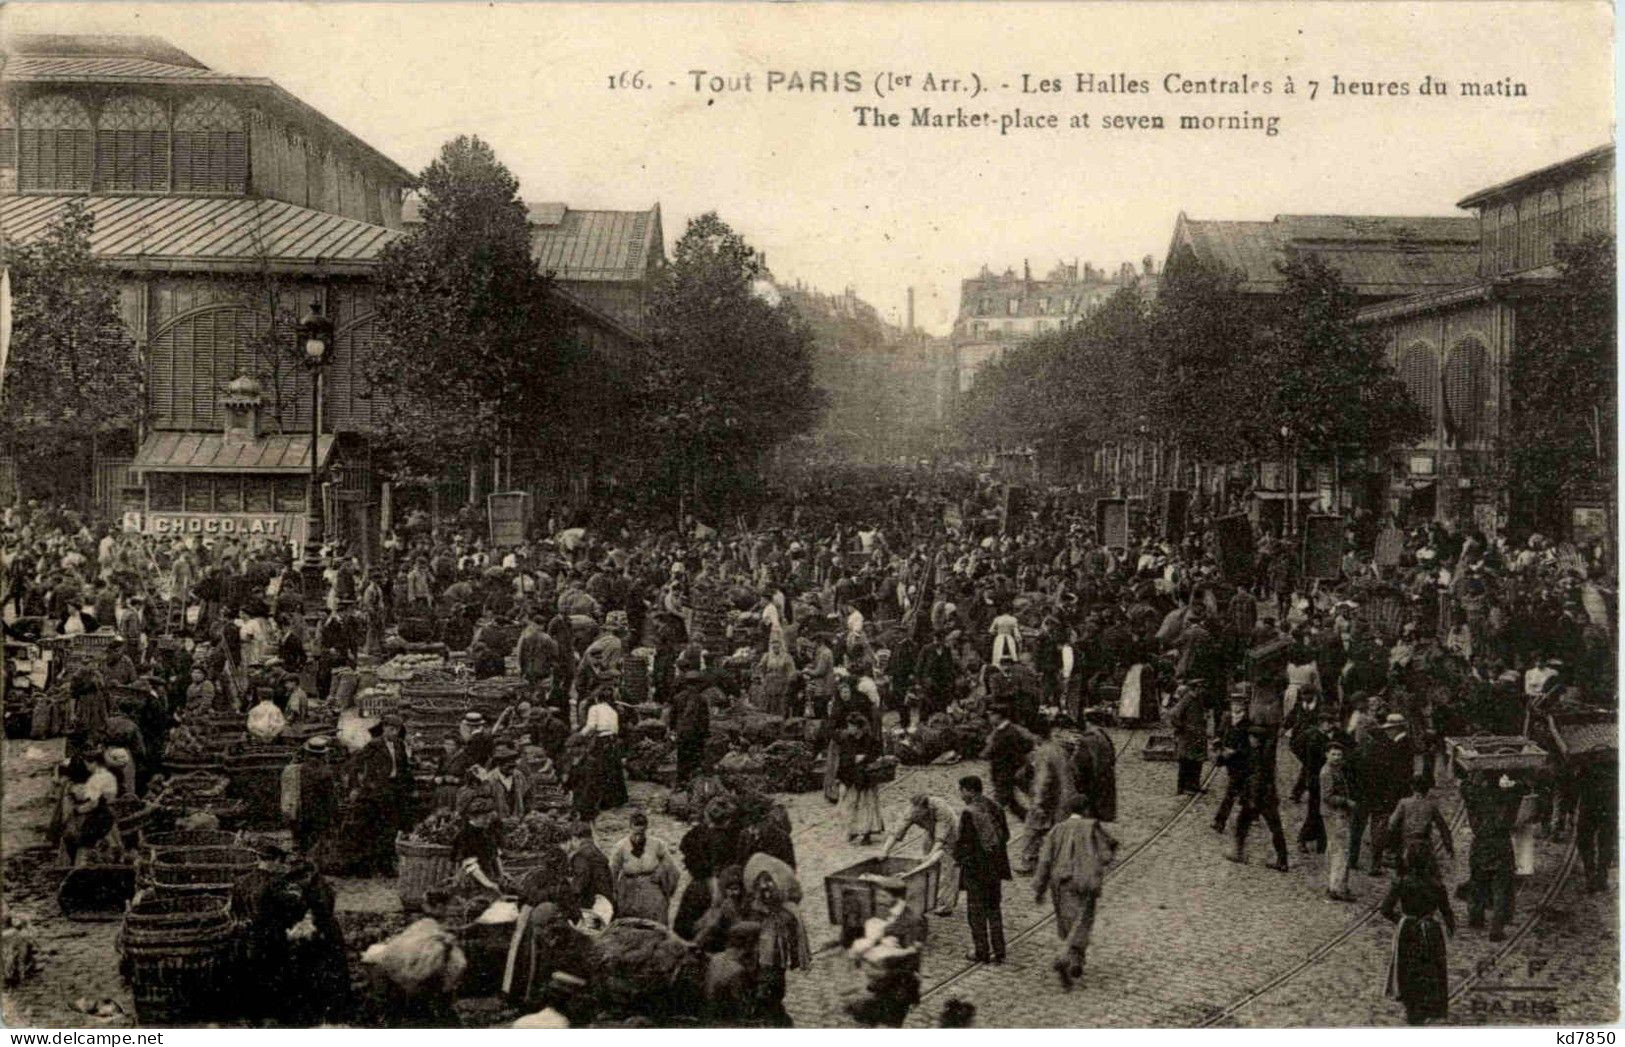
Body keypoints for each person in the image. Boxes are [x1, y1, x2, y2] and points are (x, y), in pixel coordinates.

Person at [1032, 795, 1118, 990]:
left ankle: (1074, 959)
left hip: (1062, 882)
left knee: (1068, 922)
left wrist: (1039, 888)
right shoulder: (1092, 827)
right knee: (1083, 922)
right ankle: (1069, 957)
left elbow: (1045, 860)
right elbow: (1106, 853)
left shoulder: (1057, 830)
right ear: (1086, 810)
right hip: (1085, 882)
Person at [1380, 844, 1456, 1025]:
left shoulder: (1401, 882)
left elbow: (1385, 909)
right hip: (1431, 931)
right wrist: (1448, 928)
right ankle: (1428, 1005)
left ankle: (1411, 1007)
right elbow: (1447, 913)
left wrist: (1401, 919)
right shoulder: (1437, 885)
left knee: (1408, 969)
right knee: (1430, 969)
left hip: (1408, 929)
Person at [844, 876, 925, 1028]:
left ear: (896, 897)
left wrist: (876, 951)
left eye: (883, 896)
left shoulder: (913, 920)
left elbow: (911, 955)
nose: (878, 899)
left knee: (892, 1022)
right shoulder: (888, 913)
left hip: (899, 982)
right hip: (884, 980)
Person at [954, 774, 1010, 964]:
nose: (961, 795)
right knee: (994, 909)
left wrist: (959, 860)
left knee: (976, 913)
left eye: (961, 791)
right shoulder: (995, 807)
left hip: (977, 871)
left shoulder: (969, 813)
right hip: (996, 868)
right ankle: (999, 950)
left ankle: (982, 951)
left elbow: (964, 846)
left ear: (969, 791)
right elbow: (1006, 835)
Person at [883, 793, 960, 915]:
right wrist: (884, 851)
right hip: (930, 832)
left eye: (920, 813)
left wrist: (931, 856)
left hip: (951, 835)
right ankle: (929, 897)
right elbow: (897, 831)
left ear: (926, 808)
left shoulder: (941, 809)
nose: (916, 815)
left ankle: (945, 905)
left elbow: (941, 838)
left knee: (946, 867)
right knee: (927, 866)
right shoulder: (912, 810)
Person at [1021, 720, 1076, 874]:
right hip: (1064, 797)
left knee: (1032, 830)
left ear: (1037, 735)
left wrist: (1037, 803)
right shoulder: (1059, 748)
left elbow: (1042, 780)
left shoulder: (1043, 752)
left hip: (1051, 799)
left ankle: (1029, 862)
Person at [607, 811, 680, 925]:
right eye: (635, 833)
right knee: (629, 922)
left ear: (646, 829)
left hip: (651, 886)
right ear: (630, 827)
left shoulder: (656, 844)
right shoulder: (620, 846)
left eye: (641, 833)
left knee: (655, 921)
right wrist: (614, 891)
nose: (638, 837)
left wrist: (660, 871)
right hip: (628, 888)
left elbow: (669, 864)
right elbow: (612, 870)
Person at [1386, 774, 1456, 876]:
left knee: (1403, 876)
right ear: (1427, 789)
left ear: (1412, 787)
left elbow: (1391, 824)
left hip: (1407, 845)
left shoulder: (1404, 803)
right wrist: (1449, 847)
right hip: (1425, 846)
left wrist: (1389, 846)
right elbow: (1443, 828)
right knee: (1428, 877)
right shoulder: (1431, 805)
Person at [836, 713, 885, 844]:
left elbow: (878, 757)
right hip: (852, 778)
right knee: (852, 805)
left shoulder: (871, 741)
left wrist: (865, 758)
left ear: (859, 728)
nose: (849, 729)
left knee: (867, 805)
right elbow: (843, 759)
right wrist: (853, 759)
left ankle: (867, 833)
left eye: (851, 726)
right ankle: (853, 831)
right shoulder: (847, 741)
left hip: (867, 779)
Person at [981, 704, 1033, 823]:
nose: (989, 718)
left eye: (991, 715)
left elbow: (988, 753)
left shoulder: (1004, 733)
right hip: (1013, 770)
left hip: (1004, 772)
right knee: (1011, 802)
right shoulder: (1011, 730)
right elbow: (1027, 745)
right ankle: (1028, 817)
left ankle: (987, 824)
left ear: (998, 716)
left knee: (999, 802)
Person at [1321, 738, 1357, 901]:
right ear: (1327, 755)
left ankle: (1333, 884)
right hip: (1335, 814)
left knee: (1335, 848)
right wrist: (1346, 801)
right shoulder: (1327, 772)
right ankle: (1337, 887)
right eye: (1333, 754)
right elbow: (1327, 796)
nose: (1336, 757)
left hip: (1335, 814)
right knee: (1341, 850)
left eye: (1339, 755)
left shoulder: (1337, 769)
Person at [563, 818, 615, 915]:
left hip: (591, 904)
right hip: (605, 902)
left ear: (575, 838)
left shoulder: (581, 856)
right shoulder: (597, 853)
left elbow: (580, 884)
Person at [670, 669, 712, 785]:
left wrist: (673, 730)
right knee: (696, 759)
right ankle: (693, 782)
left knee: (682, 758)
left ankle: (681, 781)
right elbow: (704, 719)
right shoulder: (701, 699)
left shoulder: (678, 697)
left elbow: (672, 717)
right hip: (696, 734)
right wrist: (706, 734)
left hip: (682, 733)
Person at [1167, 682, 1209, 796]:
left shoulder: (1198, 699)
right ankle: (1183, 788)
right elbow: (1173, 716)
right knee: (1186, 761)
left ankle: (1194, 785)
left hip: (1198, 736)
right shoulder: (1187, 699)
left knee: (1197, 761)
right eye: (1201, 688)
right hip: (1188, 737)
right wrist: (1183, 727)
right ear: (1195, 688)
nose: (1203, 690)